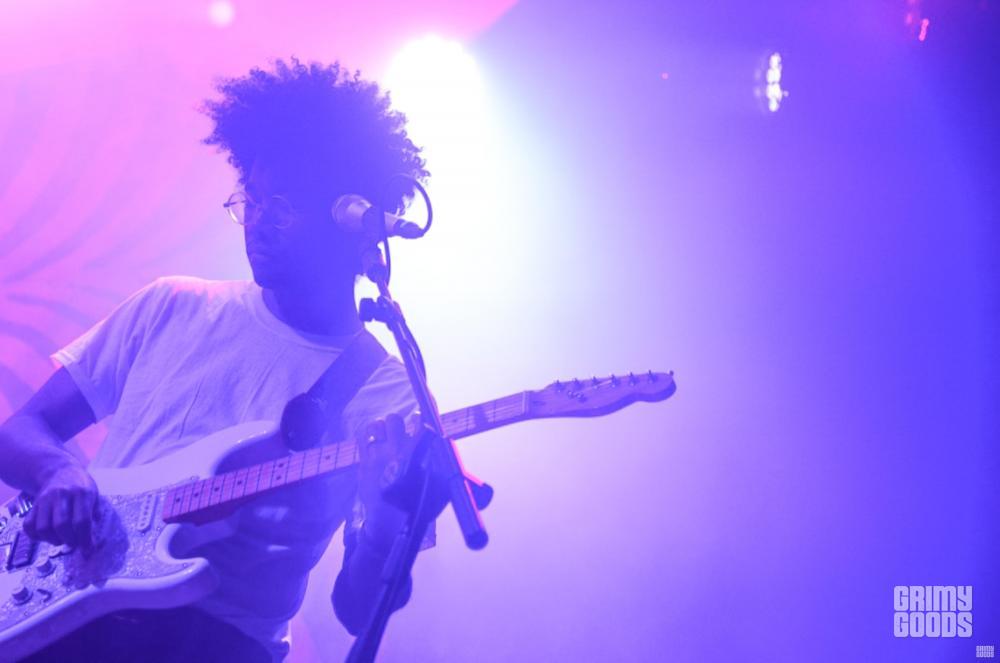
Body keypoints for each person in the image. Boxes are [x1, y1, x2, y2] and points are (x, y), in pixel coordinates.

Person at [0, 58, 430, 661]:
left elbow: (358, 610)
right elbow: (21, 429)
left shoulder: (387, 393)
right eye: (252, 199)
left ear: (349, 218)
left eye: (284, 206)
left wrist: (384, 523)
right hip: (60, 620)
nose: (259, 223)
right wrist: (57, 473)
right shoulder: (173, 304)